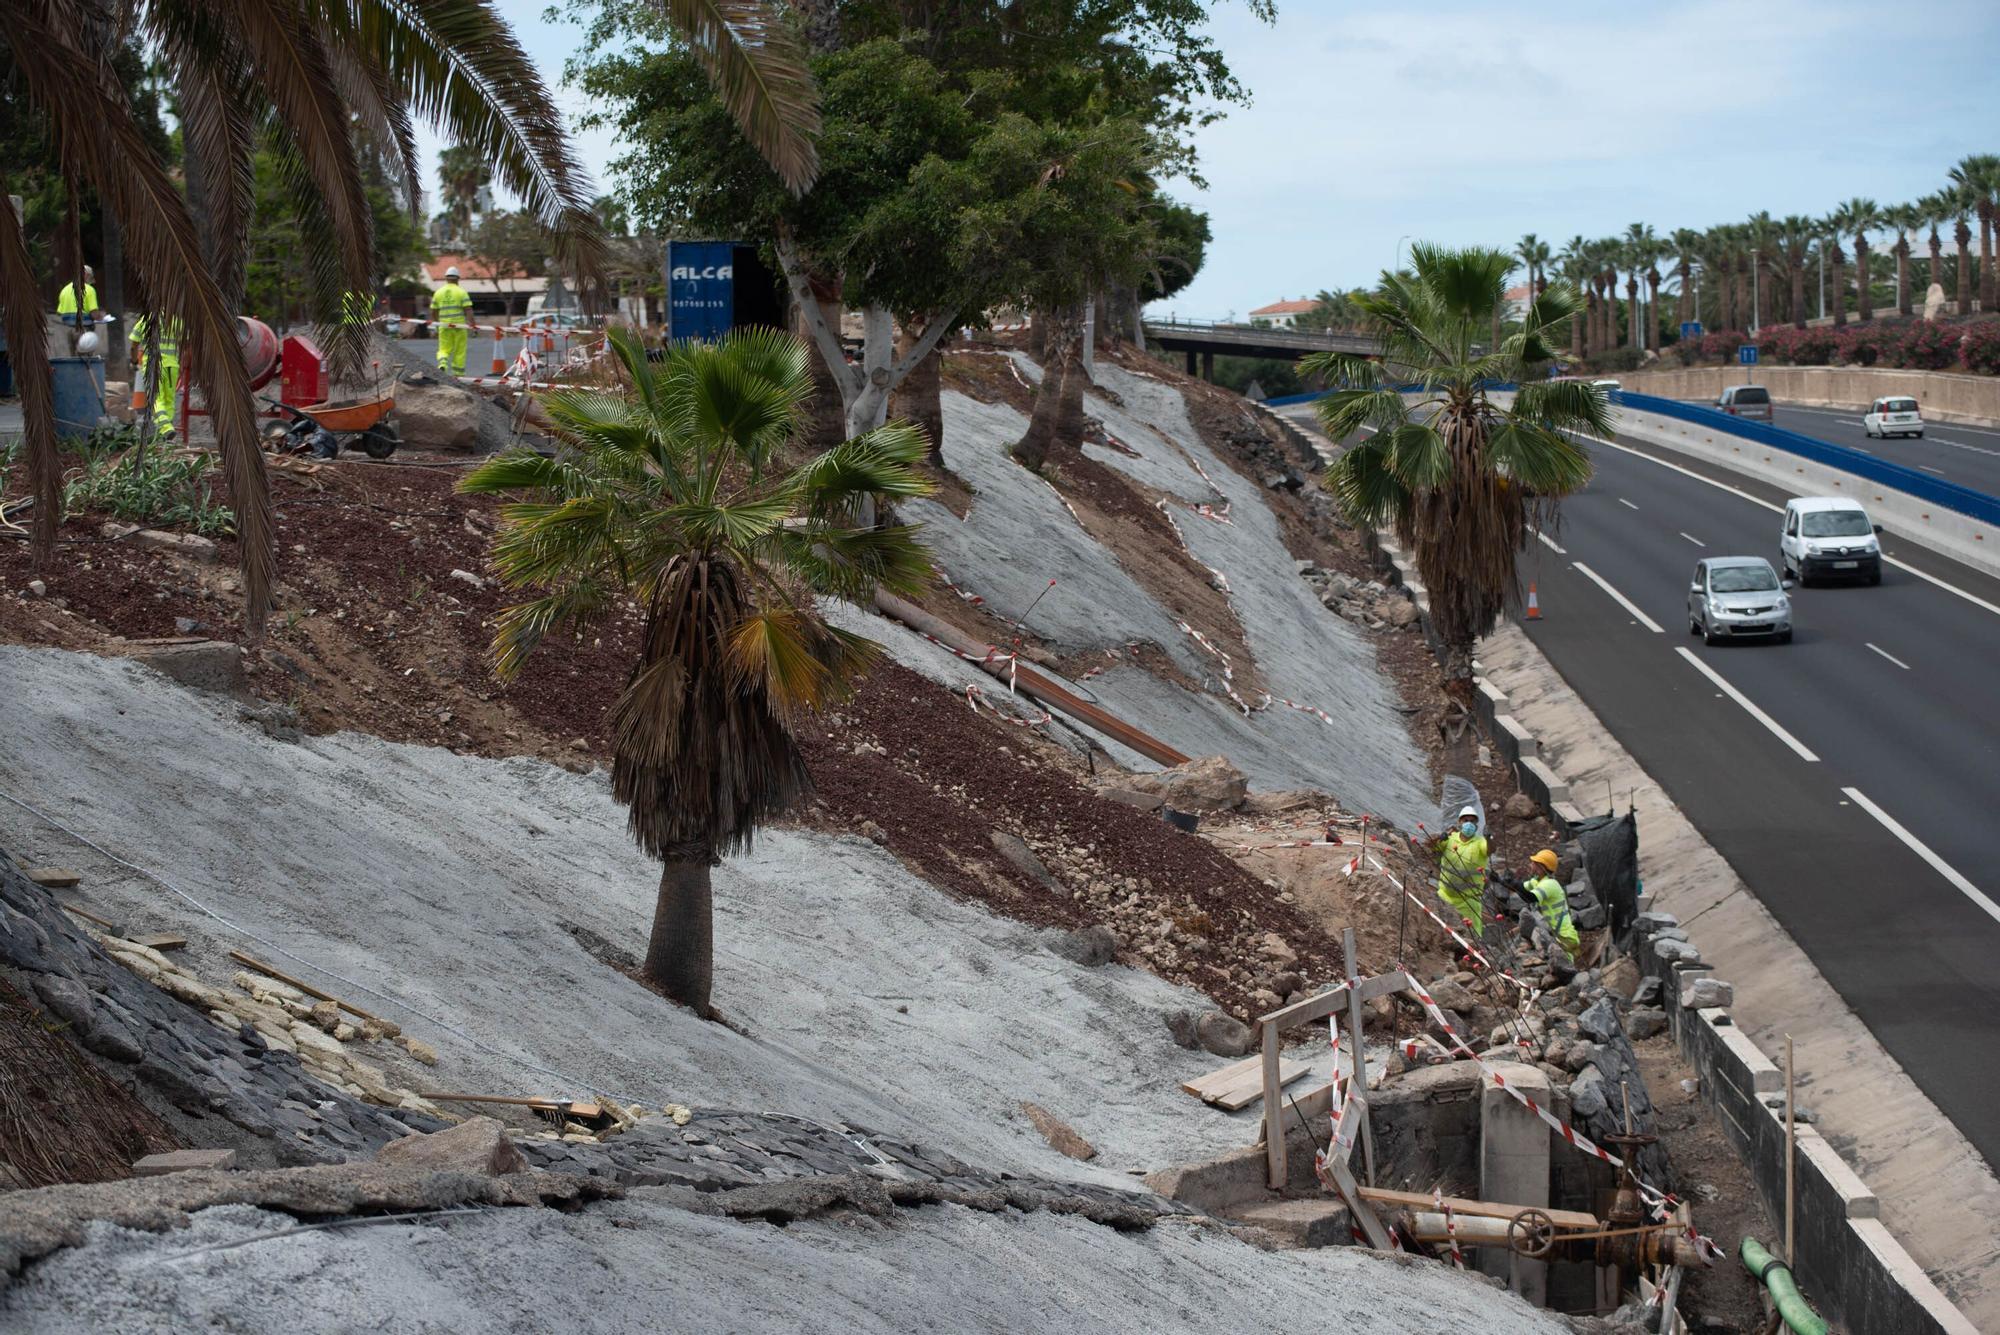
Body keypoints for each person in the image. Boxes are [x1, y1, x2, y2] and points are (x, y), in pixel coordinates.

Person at [1434, 804, 1489, 931]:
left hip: (1468, 902)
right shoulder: (1450, 839)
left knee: (1471, 937)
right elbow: (1431, 846)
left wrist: (1489, 838)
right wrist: (1440, 837)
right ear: (1459, 822)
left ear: (1476, 824)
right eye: (1466, 820)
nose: (1469, 824)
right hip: (1445, 897)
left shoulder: (1481, 842)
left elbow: (1490, 850)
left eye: (1472, 821)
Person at [1518, 849, 1580, 959]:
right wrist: (1502, 881)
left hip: (1564, 937)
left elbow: (1531, 897)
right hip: (1556, 934)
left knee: (1564, 962)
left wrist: (1515, 885)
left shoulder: (1549, 884)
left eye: (1534, 863)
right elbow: (1522, 888)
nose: (1531, 865)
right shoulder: (1538, 881)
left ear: (1541, 867)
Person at [129, 312, 182, 436]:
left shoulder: (145, 320)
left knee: (155, 399)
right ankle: (166, 433)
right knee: (169, 400)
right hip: (171, 365)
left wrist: (134, 360)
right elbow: (186, 343)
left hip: (153, 365)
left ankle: (165, 428)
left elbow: (134, 345)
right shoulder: (176, 320)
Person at [429, 266, 473, 376]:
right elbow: (468, 310)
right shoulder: (461, 292)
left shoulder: (438, 292)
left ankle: (442, 363)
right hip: (459, 327)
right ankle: (458, 374)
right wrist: (472, 324)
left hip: (443, 325)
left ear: (446, 278)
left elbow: (433, 311)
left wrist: (436, 324)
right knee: (459, 351)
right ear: (457, 278)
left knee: (444, 348)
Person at [56, 265, 101, 353]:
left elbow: (59, 312)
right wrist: (101, 317)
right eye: (90, 278)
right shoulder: (89, 290)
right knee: (86, 356)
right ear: (86, 275)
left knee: (74, 358)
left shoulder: (64, 290)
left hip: (68, 331)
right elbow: (94, 314)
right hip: (83, 330)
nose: (91, 282)